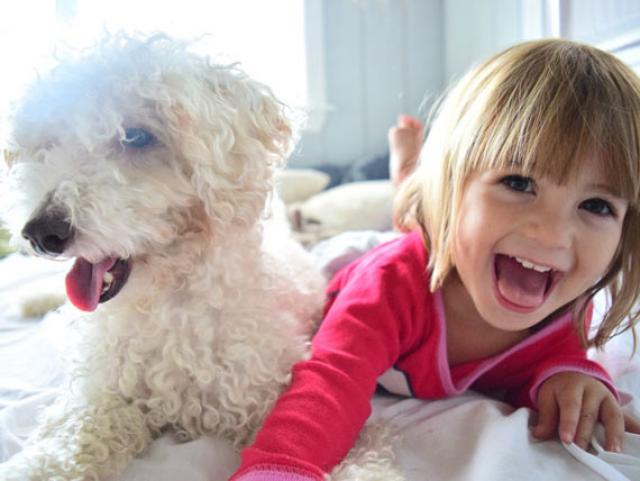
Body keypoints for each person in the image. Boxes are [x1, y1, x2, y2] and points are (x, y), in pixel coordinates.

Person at [229, 39, 640, 481]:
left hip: (453, 232)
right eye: (519, 183)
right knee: (411, 222)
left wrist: (569, 376)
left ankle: (410, 178)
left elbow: (549, 359)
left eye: (596, 205)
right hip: (374, 258)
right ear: (456, 181)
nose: (553, 234)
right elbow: (331, 382)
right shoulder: (388, 286)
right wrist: (282, 468)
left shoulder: (566, 305)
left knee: (428, 221)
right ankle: (411, 175)